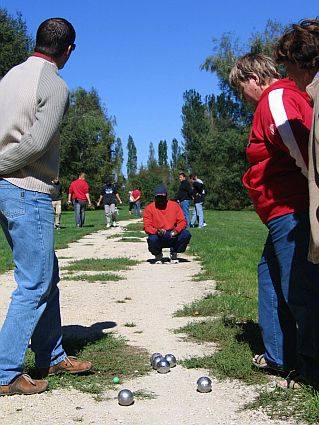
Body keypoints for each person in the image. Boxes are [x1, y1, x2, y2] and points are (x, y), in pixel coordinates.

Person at [0, 18, 91, 396]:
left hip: (7, 189)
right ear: (68, 50)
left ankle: (51, 352)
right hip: (27, 187)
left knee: (45, 273)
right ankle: (4, 371)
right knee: (34, 283)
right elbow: (37, 144)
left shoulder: (9, 77)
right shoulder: (54, 84)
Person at [229, 53, 319, 389]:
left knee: (301, 289)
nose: (243, 96)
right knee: (269, 276)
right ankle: (280, 355)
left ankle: (312, 369)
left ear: (254, 78)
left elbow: (304, 149)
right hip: (281, 211)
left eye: (241, 89)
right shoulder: (280, 97)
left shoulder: (277, 98)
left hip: (292, 209)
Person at [143, 184, 191, 264]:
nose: (161, 200)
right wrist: (156, 231)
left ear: (166, 196)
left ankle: (174, 252)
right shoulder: (149, 208)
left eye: (163, 197)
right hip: (158, 235)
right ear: (155, 198)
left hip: (173, 234)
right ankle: (158, 254)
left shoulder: (174, 206)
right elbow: (147, 227)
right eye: (159, 198)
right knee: (152, 239)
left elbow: (183, 221)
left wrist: (176, 230)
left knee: (186, 234)